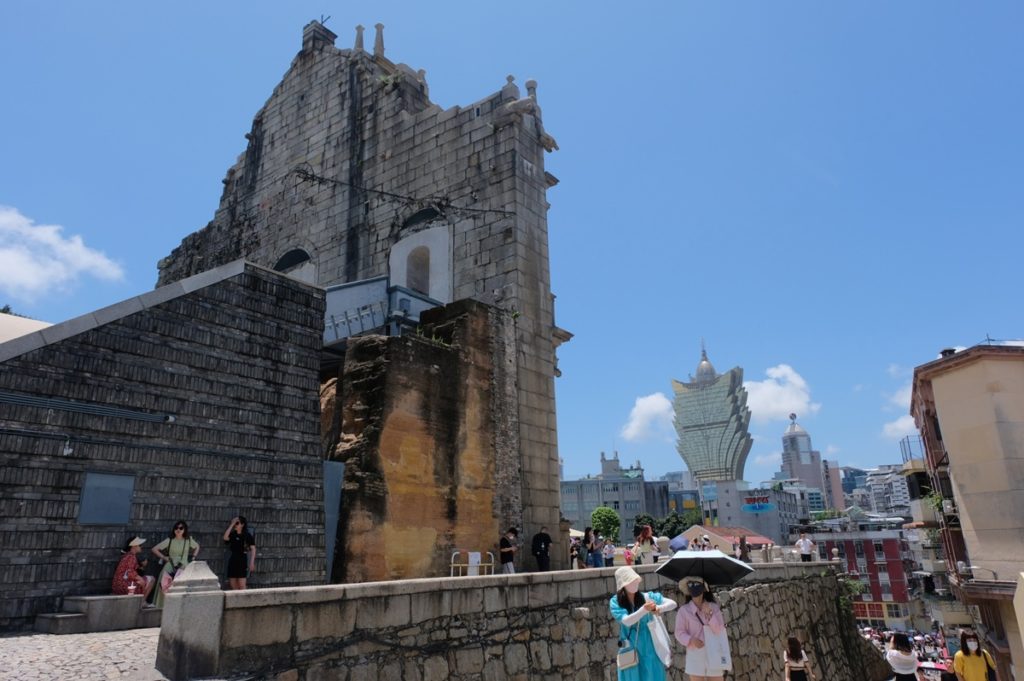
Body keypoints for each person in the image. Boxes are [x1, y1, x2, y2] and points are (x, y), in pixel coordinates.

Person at [609, 566, 677, 681]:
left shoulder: (647, 597)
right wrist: (644, 610)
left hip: (651, 646)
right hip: (630, 649)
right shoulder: (615, 601)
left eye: (636, 580)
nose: (635, 583)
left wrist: (659, 608)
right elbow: (627, 621)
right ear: (623, 585)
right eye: (631, 581)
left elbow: (672, 603)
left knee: (654, 676)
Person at [675, 577, 727, 681]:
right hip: (695, 655)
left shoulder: (713, 607)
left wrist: (709, 614)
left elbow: (719, 630)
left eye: (697, 583)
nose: (693, 586)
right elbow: (679, 632)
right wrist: (691, 640)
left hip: (714, 652)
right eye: (690, 584)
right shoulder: (684, 611)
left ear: (704, 587)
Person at [152, 520, 200, 607]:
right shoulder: (169, 540)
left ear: (184, 530)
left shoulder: (188, 540)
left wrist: (193, 557)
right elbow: (154, 549)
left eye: (181, 528)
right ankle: (162, 605)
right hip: (170, 565)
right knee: (164, 584)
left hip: (184, 566)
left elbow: (197, 546)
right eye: (176, 528)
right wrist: (163, 557)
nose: (178, 530)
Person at [223, 515, 256, 590]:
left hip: (242, 560)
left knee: (242, 585)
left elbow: (253, 549)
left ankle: (245, 600)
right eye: (235, 523)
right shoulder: (232, 534)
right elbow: (225, 537)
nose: (235, 525)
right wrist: (232, 524)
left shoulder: (247, 535)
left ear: (242, 524)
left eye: (237, 523)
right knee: (233, 584)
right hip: (233, 559)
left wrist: (252, 562)